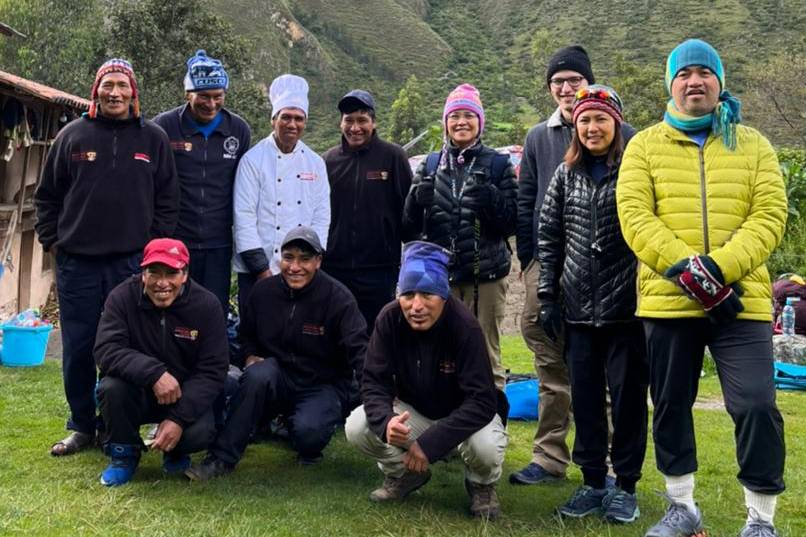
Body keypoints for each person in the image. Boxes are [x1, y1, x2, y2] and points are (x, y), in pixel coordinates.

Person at [617, 39, 787, 537]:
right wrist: (685, 270)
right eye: (685, 73)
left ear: (720, 82)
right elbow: (634, 216)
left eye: (705, 73)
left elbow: (770, 215)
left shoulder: (753, 143)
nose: (695, 81)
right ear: (671, 84)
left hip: (743, 300)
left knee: (756, 403)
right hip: (669, 300)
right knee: (670, 403)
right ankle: (682, 506)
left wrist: (715, 269)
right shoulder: (645, 145)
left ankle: (760, 518)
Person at [34, 58, 179, 457]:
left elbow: (167, 199)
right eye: (107, 84)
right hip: (77, 263)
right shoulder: (72, 136)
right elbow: (46, 196)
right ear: (96, 90)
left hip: (131, 265)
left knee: (128, 345)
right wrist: (54, 242)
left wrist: (153, 252)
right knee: (79, 346)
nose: (114, 93)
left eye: (122, 85)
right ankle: (82, 425)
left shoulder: (153, 139)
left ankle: (119, 424)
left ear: (134, 92)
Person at [512, 45, 637, 485]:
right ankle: (549, 456)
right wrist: (531, 262)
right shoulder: (537, 137)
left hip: (609, 273)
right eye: (557, 82)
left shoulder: (628, 136)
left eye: (574, 80)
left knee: (603, 368)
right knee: (551, 360)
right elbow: (527, 202)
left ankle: (604, 462)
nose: (566, 88)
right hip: (550, 266)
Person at [538, 86, 648, 523]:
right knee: (584, 399)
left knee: (627, 400)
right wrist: (548, 295)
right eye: (584, 120)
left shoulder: (635, 171)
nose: (591, 127)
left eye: (600, 119)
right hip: (578, 308)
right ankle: (591, 481)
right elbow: (549, 237)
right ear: (575, 127)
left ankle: (625, 485)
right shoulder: (566, 175)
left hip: (627, 310)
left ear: (616, 123)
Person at [186, 227, 367, 479]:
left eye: (304, 259)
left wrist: (376, 394)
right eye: (288, 257)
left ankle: (294, 428)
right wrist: (249, 356)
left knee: (308, 437)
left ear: (318, 261)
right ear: (279, 258)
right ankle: (221, 459)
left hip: (320, 383)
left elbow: (359, 349)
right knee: (258, 374)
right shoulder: (263, 292)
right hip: (276, 377)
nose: (295, 266)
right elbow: (245, 335)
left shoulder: (338, 298)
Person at [345, 241, 508, 520]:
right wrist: (387, 423)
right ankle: (403, 475)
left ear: (443, 295)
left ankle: (481, 485)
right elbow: (373, 382)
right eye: (408, 294)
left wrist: (430, 443)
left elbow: (483, 400)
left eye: (427, 294)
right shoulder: (388, 319)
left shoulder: (464, 326)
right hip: (416, 412)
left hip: (465, 416)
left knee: (486, 447)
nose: (416, 306)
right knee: (357, 426)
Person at [402, 83, 517, 393]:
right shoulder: (429, 164)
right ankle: (446, 426)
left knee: (485, 351)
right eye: (455, 116)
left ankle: (493, 425)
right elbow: (408, 229)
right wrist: (416, 200)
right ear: (445, 122)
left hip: (487, 276)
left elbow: (512, 223)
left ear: (480, 122)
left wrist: (492, 199)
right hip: (441, 276)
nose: (461, 122)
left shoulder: (497, 164)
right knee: (442, 353)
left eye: (469, 115)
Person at [93, 238, 228, 486]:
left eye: (172, 273)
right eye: (154, 272)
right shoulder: (121, 297)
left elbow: (213, 370)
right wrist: (154, 374)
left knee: (200, 432)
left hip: (183, 394)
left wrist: (178, 418)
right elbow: (105, 349)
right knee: (111, 388)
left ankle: (175, 451)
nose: (162, 283)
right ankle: (124, 454)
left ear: (185, 274)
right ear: (143, 273)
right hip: (137, 391)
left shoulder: (207, 305)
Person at [153, 50, 251, 314]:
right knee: (171, 306)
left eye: (217, 97)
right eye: (203, 97)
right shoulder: (164, 126)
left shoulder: (239, 130)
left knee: (212, 309)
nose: (211, 104)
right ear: (188, 94)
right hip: (174, 237)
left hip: (218, 241)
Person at [232, 74, 330, 314]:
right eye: (286, 117)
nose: (292, 124)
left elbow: (321, 216)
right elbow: (243, 217)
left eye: (299, 118)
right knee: (256, 331)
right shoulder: (252, 160)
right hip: (257, 268)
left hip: (301, 270)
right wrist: (262, 271)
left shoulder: (315, 163)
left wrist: (309, 264)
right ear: (273, 120)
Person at [322, 89, 412, 332]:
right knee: (338, 333)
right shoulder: (328, 161)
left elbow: (408, 212)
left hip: (379, 269)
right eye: (348, 120)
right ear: (340, 123)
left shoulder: (393, 156)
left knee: (378, 334)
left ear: (374, 123)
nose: (355, 127)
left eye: (362, 120)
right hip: (335, 268)